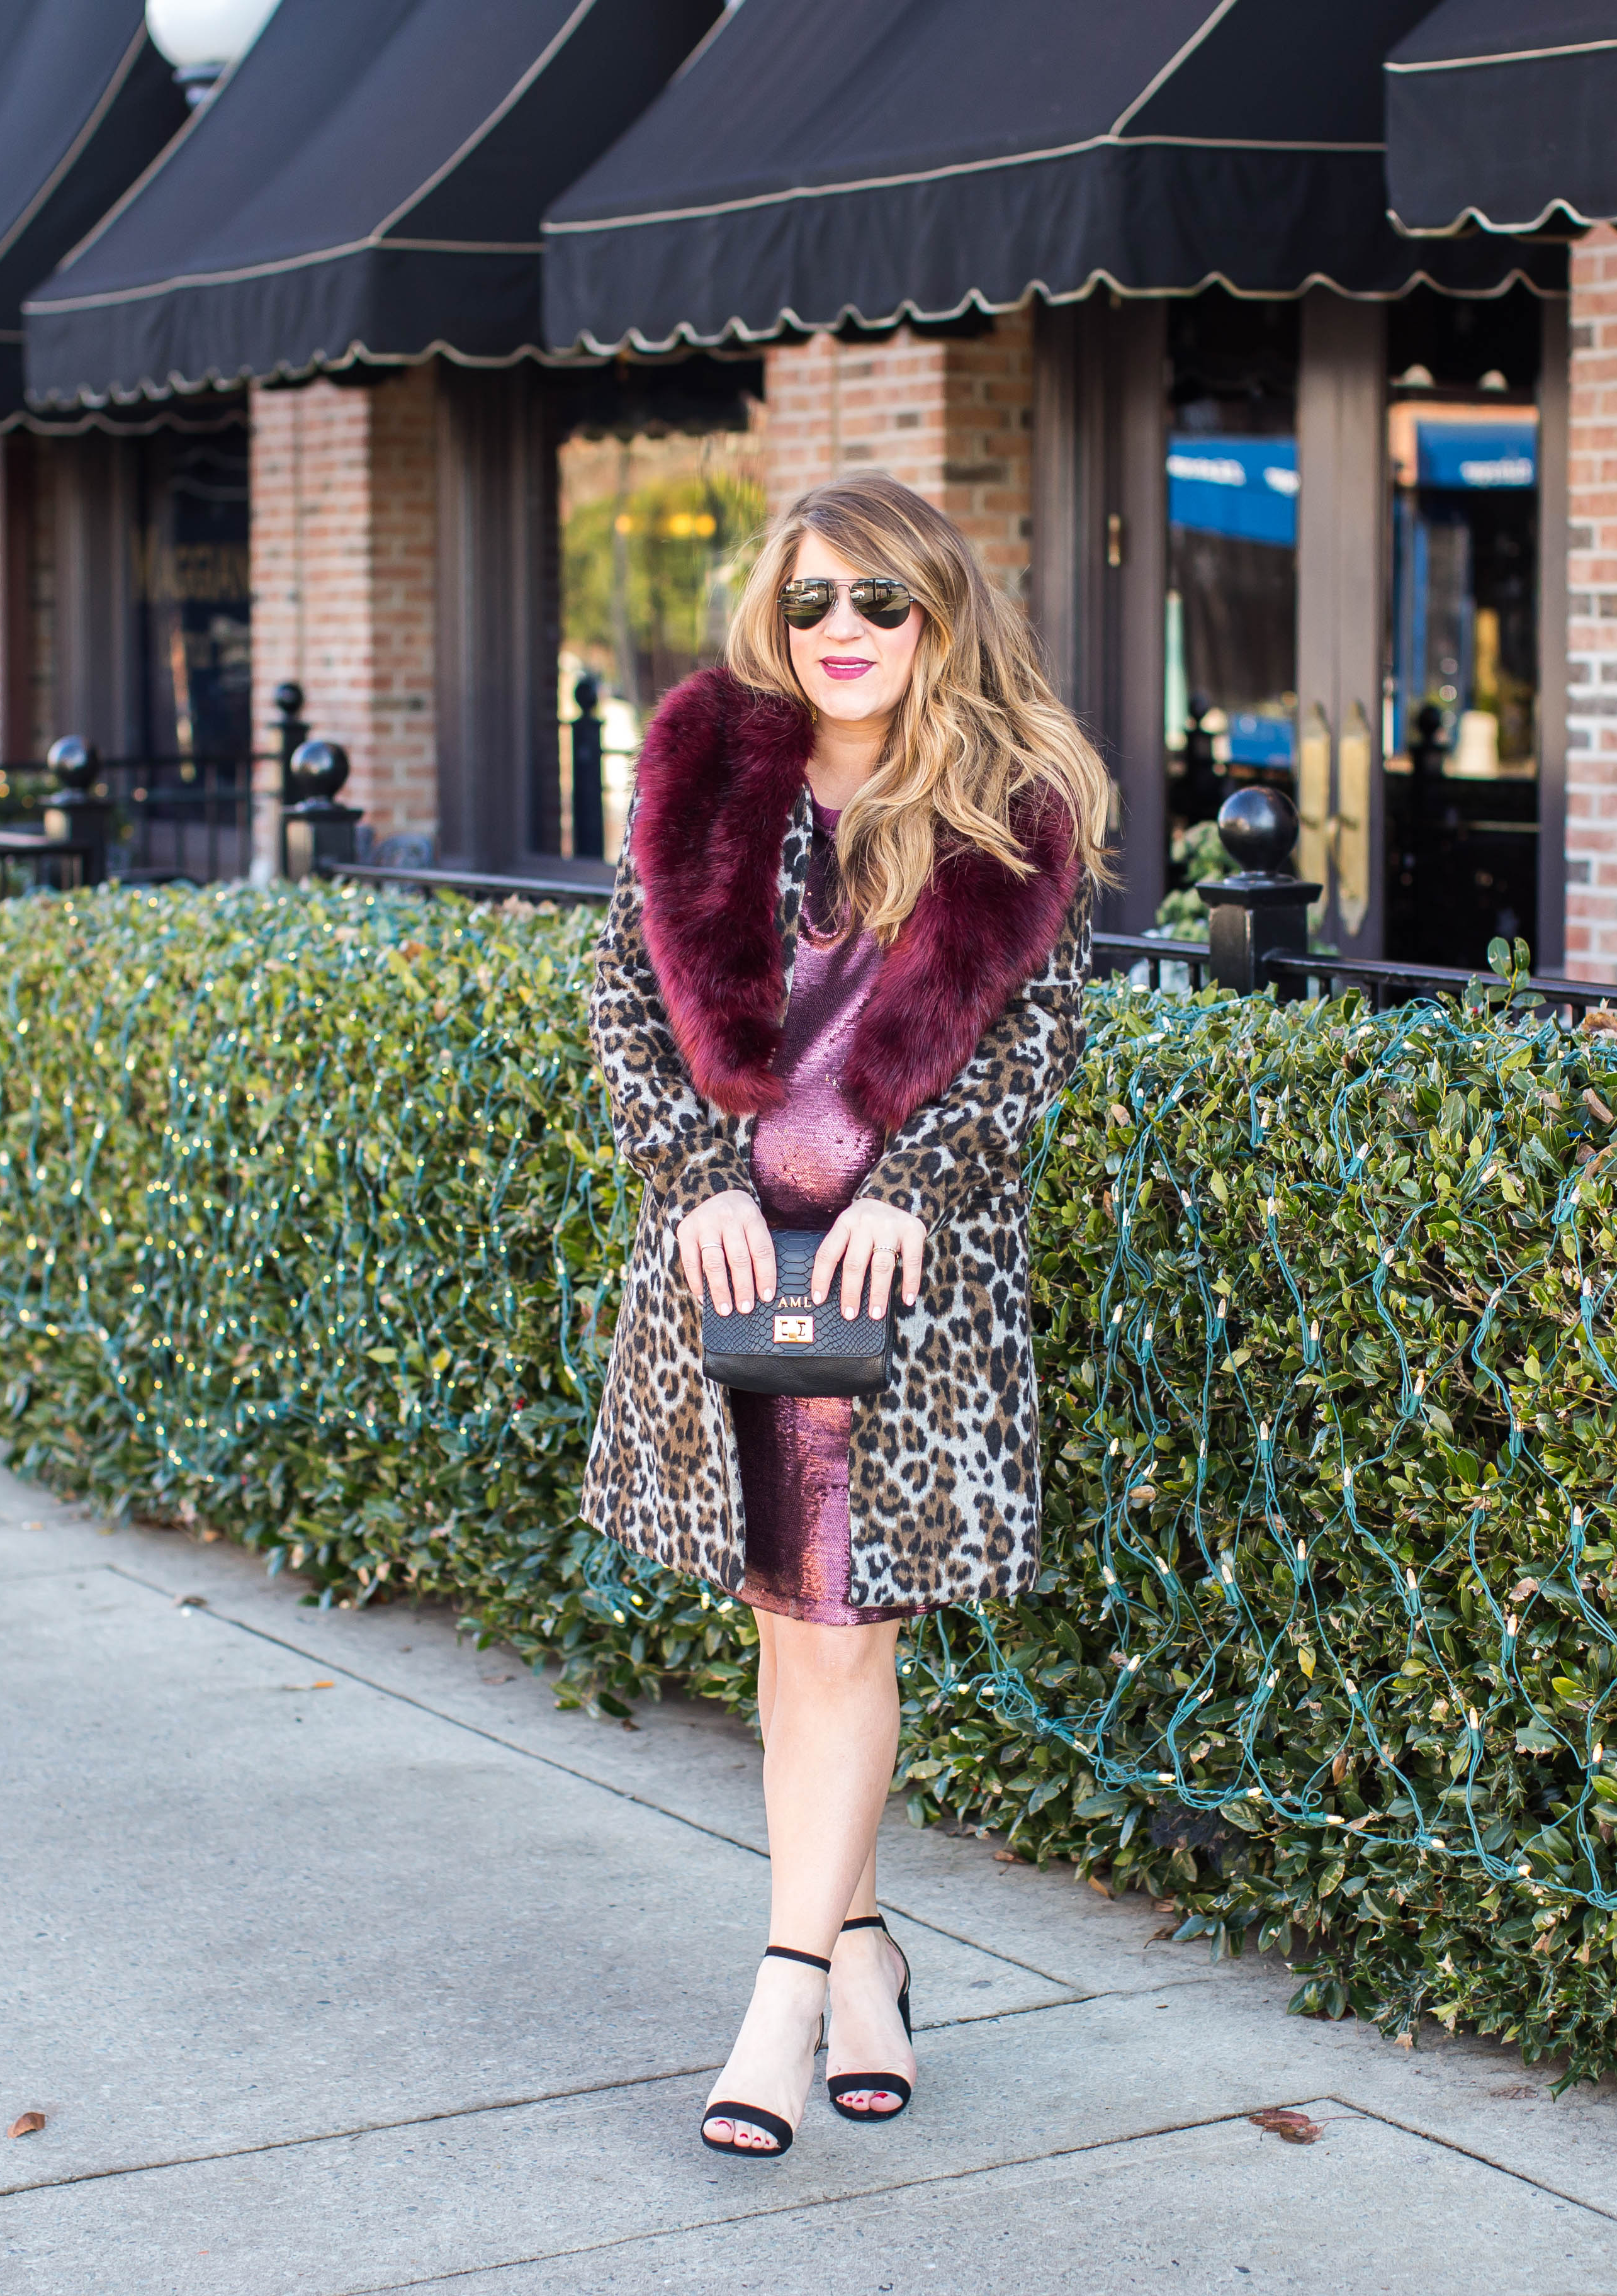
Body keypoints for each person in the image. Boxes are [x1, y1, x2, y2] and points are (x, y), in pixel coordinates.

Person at [580, 472, 1109, 2158]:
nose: (843, 634)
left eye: (879, 601)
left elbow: (1029, 1053)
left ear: (940, 611)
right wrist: (699, 1184)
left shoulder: (1017, 816)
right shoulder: (708, 787)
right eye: (812, 603)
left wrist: (914, 1190)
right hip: (732, 1280)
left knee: (841, 1630)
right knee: (792, 1627)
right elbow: (620, 1010)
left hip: (904, 1298)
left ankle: (786, 1987)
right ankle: (870, 1949)